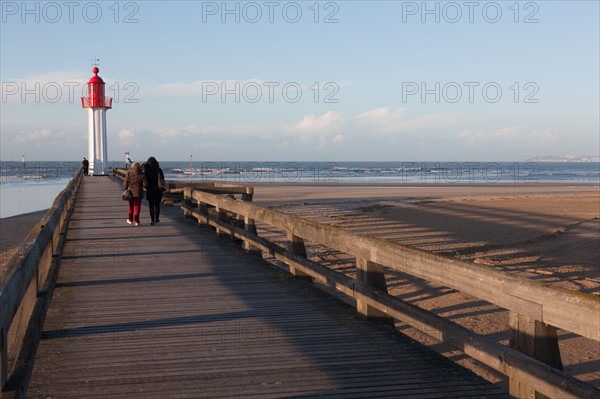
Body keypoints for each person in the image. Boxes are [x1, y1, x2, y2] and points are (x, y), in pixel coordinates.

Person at [144, 156, 165, 225]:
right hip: (158, 190)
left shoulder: (146, 171)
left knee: (151, 206)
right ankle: (157, 218)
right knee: (157, 205)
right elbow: (163, 180)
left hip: (150, 190)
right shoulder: (159, 170)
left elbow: (144, 180)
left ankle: (152, 220)